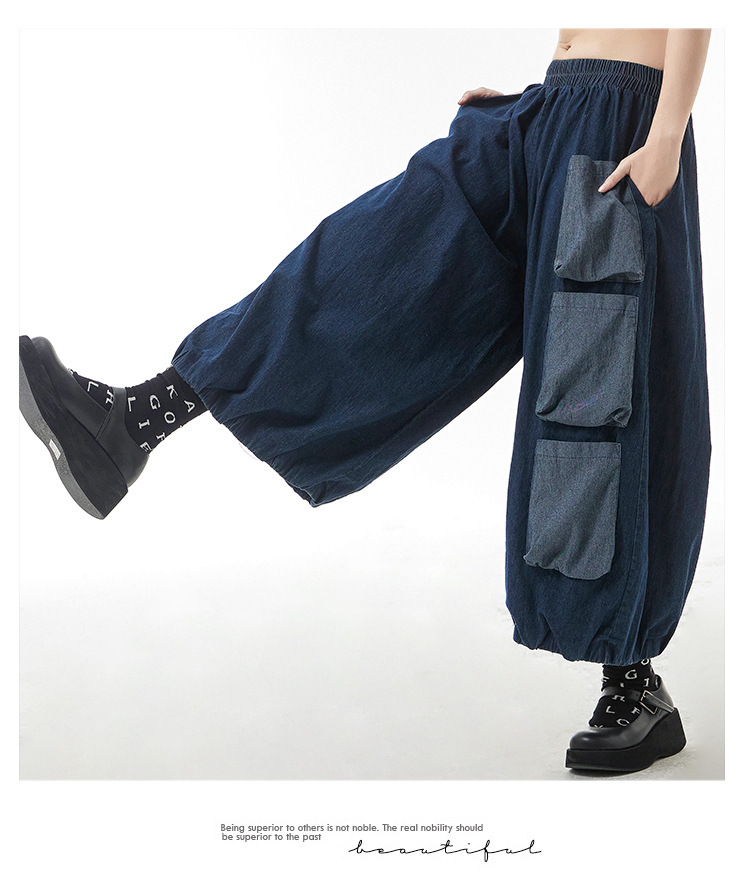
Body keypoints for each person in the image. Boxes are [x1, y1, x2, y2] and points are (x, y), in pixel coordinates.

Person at [19, 28, 713, 774]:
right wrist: (546, 97)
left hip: (626, 124)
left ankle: (634, 682)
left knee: (600, 388)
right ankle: (135, 421)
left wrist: (667, 130)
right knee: (373, 263)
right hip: (551, 111)